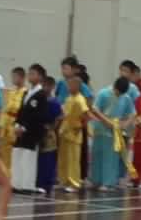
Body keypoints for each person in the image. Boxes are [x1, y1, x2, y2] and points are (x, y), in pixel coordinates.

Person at [89, 76, 135, 190]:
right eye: (118, 92)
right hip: (100, 128)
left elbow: (132, 114)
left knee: (111, 157)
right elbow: (95, 109)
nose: (119, 95)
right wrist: (106, 121)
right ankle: (96, 180)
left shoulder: (126, 97)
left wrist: (125, 124)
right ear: (115, 86)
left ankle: (108, 182)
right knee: (97, 154)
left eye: (121, 93)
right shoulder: (103, 93)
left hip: (114, 131)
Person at [11, 63, 49, 194]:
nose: (30, 76)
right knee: (17, 154)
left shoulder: (42, 94)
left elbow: (38, 115)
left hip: (32, 131)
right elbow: (21, 111)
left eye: (33, 74)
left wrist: (25, 127)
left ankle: (27, 185)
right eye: (29, 73)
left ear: (40, 77)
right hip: (20, 130)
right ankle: (16, 183)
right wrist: (17, 125)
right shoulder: (27, 92)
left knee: (28, 157)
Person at [58, 72, 89, 192]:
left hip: (74, 133)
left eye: (71, 85)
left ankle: (74, 183)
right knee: (64, 159)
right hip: (65, 131)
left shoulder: (80, 100)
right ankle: (64, 180)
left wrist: (79, 128)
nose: (68, 87)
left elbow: (85, 116)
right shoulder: (69, 98)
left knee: (73, 160)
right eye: (68, 85)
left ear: (77, 86)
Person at [37, 75, 62, 196]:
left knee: (48, 159)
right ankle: (38, 182)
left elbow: (59, 118)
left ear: (52, 87)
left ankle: (48, 183)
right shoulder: (39, 99)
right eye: (43, 85)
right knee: (39, 159)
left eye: (47, 85)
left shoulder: (54, 102)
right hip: (38, 131)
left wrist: (51, 128)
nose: (45, 88)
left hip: (49, 133)